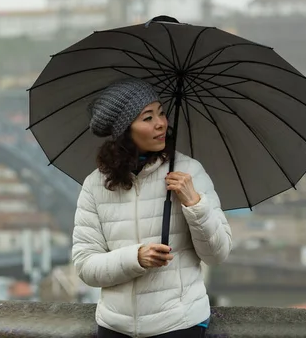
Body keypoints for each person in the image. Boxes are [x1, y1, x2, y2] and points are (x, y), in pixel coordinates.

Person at [72, 78, 233, 338]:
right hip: (115, 327)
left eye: (161, 112)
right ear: (125, 130)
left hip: (178, 324)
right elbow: (85, 266)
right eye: (147, 118)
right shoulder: (95, 185)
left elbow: (217, 254)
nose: (160, 123)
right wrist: (136, 258)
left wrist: (195, 204)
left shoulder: (189, 172)